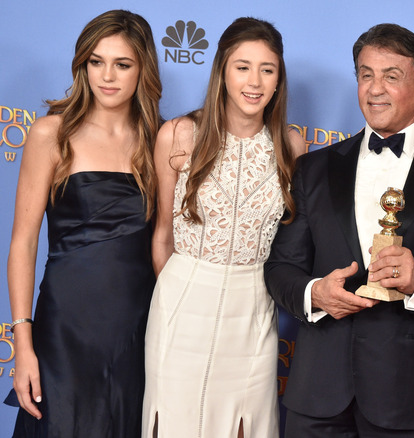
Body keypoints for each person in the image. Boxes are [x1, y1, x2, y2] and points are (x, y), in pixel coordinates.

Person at [264, 23, 414, 437]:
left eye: (391, 76)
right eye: (365, 74)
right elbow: (280, 268)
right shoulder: (313, 170)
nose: (375, 89)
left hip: (410, 398)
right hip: (317, 395)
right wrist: (314, 294)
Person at [142, 17, 305, 438]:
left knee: (244, 425)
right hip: (181, 303)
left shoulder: (292, 145)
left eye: (267, 69)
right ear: (222, 71)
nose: (254, 81)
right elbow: (162, 235)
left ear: (278, 79)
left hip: (252, 310)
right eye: (242, 66)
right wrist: (179, 295)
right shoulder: (179, 134)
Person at [5, 9, 161, 437]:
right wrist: (23, 344)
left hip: (138, 330)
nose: (107, 76)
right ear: (82, 65)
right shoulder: (50, 134)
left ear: (142, 68)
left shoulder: (162, 140)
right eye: (96, 62)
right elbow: (23, 244)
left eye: (122, 64)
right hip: (64, 330)